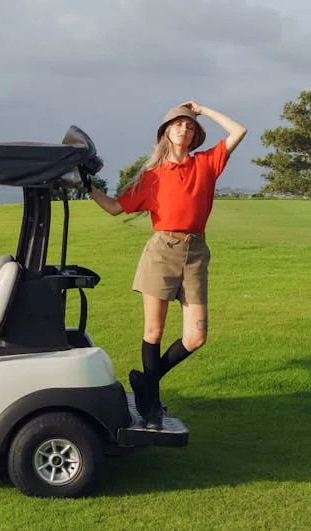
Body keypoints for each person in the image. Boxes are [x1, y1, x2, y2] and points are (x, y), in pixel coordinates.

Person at [84, 101, 247, 429]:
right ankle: (152, 406)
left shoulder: (207, 164)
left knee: (196, 336)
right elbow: (116, 208)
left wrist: (203, 110)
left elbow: (238, 131)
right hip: (161, 251)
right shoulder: (152, 177)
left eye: (189, 126)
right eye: (178, 125)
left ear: (194, 134)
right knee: (154, 331)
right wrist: (88, 187)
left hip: (196, 252)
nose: (184, 129)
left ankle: (146, 383)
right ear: (166, 133)